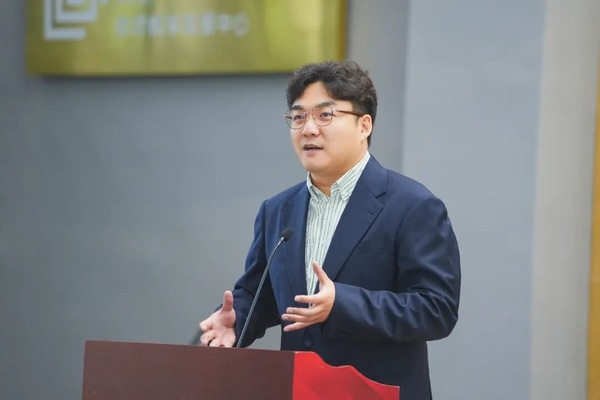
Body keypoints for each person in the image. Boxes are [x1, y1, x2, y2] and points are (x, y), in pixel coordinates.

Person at [199, 60, 461, 400]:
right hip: (299, 390)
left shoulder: (412, 205)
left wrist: (342, 303)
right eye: (298, 117)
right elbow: (260, 294)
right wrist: (236, 320)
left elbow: (436, 309)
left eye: (325, 115)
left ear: (364, 125)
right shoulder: (277, 210)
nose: (308, 129)